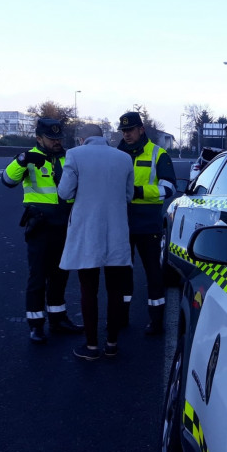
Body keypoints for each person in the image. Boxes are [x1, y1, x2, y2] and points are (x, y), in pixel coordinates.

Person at [1, 118, 84, 343]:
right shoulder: (27, 158)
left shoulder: (69, 158)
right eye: (51, 138)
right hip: (40, 225)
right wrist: (22, 160)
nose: (57, 142)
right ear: (39, 138)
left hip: (66, 225)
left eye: (59, 138)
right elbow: (7, 180)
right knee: (38, 276)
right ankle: (36, 325)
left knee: (60, 276)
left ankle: (58, 320)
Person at [58, 124, 134, 360]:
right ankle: (112, 343)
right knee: (115, 289)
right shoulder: (124, 158)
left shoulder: (74, 155)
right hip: (117, 231)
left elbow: (64, 193)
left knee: (88, 289)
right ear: (103, 138)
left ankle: (91, 346)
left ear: (82, 140)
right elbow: (128, 195)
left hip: (87, 232)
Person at [117, 111, 176, 334]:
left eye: (130, 130)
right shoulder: (117, 154)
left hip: (148, 224)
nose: (126, 134)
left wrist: (137, 191)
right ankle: (121, 316)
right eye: (123, 131)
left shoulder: (158, 154)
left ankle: (156, 321)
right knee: (122, 273)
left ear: (141, 129)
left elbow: (168, 188)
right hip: (121, 224)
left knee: (153, 273)